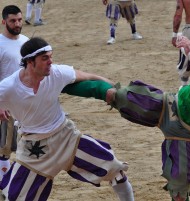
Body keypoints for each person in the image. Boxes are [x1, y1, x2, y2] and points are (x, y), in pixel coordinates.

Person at [63, 32, 190, 201]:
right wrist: (181, 41)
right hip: (167, 105)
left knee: (179, 194)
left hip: (186, 136)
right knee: (115, 95)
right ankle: (57, 84)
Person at [0, 37, 134, 201]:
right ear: (29, 62)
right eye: (45, 58)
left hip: (66, 137)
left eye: (51, 56)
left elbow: (87, 76)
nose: (50, 61)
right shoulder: (9, 86)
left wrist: (116, 88)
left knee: (115, 170)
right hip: (33, 148)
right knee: (15, 197)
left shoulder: (56, 73)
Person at [0, 5, 29, 182]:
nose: (17, 23)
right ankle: (4, 187)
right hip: (6, 104)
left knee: (25, 148)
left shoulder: (26, 41)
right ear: (4, 21)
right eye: (13, 20)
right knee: (4, 149)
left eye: (19, 19)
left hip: (26, 104)